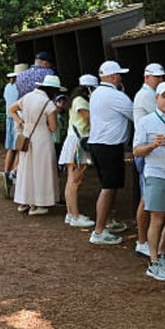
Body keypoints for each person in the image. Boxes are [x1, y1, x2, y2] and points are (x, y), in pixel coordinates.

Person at [133, 81, 165, 281]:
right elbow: (136, 150)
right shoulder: (146, 121)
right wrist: (152, 145)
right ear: (156, 98)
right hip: (156, 174)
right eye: (164, 97)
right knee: (157, 217)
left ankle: (162, 253)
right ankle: (153, 262)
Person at [87, 60, 134, 245]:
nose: (120, 78)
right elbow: (135, 114)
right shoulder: (116, 96)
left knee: (108, 186)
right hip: (110, 145)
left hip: (98, 143)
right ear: (113, 77)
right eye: (119, 75)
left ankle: (106, 221)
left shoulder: (96, 93)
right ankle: (99, 231)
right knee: (108, 187)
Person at [8, 75, 65, 215]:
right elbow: (53, 127)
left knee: (26, 169)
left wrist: (21, 122)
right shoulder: (48, 104)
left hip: (27, 136)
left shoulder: (27, 97)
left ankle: (23, 201)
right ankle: (37, 204)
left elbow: (11, 110)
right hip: (42, 138)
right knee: (41, 170)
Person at [133, 63, 165, 257]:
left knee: (150, 198)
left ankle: (150, 240)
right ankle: (142, 241)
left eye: (162, 77)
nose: (160, 80)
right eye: (157, 77)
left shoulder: (149, 94)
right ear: (147, 78)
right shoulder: (147, 96)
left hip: (153, 150)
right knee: (147, 198)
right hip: (147, 151)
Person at [58, 74, 98, 228]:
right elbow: (89, 118)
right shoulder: (80, 101)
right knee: (74, 180)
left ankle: (71, 213)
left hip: (75, 141)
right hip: (78, 143)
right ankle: (75, 215)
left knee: (72, 180)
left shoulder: (76, 100)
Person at [0, 63, 28, 198]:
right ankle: (15, 177)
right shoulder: (21, 88)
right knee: (19, 148)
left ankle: (6, 174)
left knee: (11, 148)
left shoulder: (8, 87)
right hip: (18, 118)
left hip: (9, 119)